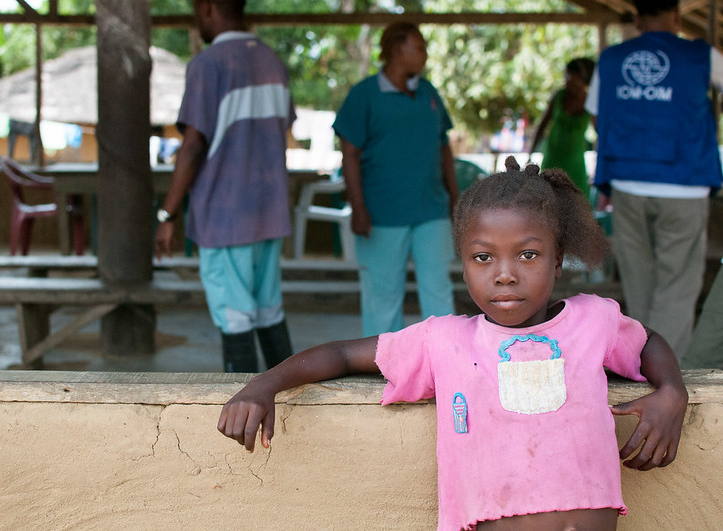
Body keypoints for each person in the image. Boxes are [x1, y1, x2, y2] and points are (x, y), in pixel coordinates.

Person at [217, 158, 688, 530]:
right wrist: (265, 384)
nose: (505, 274)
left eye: (528, 254)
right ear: (463, 263)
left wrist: (672, 391)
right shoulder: (445, 342)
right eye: (483, 257)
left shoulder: (593, 320)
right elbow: (341, 354)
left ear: (558, 260)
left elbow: (647, 342)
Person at [155, 0, 295, 373]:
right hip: (269, 212)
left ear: (208, 8)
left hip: (225, 215)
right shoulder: (272, 62)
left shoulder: (208, 64)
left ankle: (243, 402)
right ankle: (294, 398)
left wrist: (167, 212)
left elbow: (193, 145)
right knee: (268, 310)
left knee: (235, 318)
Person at [585, 0, 723, 360]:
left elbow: (598, 119)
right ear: (676, 15)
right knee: (677, 286)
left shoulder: (612, 59)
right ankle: (666, 373)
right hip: (685, 182)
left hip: (627, 182)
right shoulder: (700, 55)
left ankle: (640, 364)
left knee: (638, 282)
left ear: (638, 18)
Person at [332, 21, 459, 338]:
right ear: (396, 49)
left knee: (439, 293)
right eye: (420, 47)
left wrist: (456, 198)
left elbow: (444, 148)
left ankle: (445, 357)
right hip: (381, 215)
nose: (425, 54)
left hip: (432, 211)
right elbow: (349, 154)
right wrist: (358, 208)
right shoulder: (364, 94)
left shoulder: (428, 92)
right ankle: (382, 363)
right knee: (382, 299)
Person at [529, 57, 595, 198]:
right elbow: (542, 126)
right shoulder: (559, 95)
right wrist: (531, 153)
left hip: (575, 162)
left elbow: (599, 130)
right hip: (552, 157)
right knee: (547, 197)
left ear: (581, 77)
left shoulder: (590, 100)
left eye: (569, 75)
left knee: (577, 200)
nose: (566, 79)